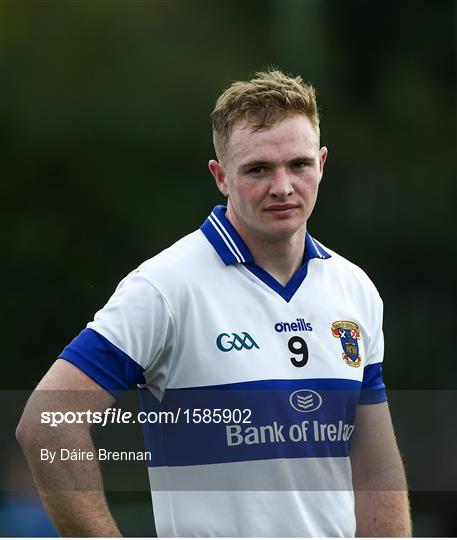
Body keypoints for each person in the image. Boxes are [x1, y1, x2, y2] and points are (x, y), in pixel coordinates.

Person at [16, 69, 411, 537]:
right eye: (259, 169)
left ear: (322, 163)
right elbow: (47, 425)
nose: (282, 186)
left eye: (299, 164)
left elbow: (376, 470)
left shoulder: (354, 289)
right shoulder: (165, 287)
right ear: (220, 176)